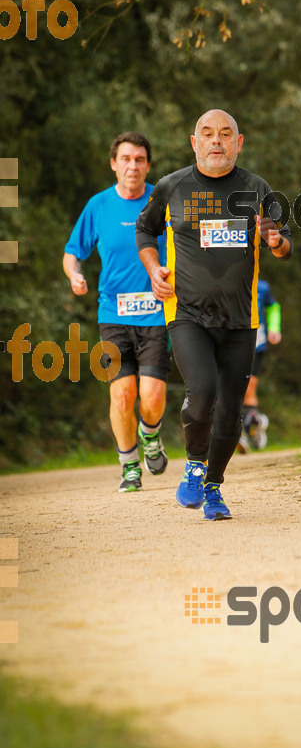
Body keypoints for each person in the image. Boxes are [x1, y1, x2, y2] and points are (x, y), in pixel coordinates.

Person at [136, 109, 293, 520]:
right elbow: (144, 230)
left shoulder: (258, 189)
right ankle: (193, 463)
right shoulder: (171, 186)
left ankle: (214, 487)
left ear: (239, 143)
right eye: (208, 134)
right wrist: (154, 270)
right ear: (195, 142)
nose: (216, 141)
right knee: (202, 390)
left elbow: (284, 244)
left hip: (242, 320)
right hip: (186, 313)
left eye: (226, 134)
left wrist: (274, 239)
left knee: (230, 412)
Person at [63, 132, 169, 493]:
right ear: (114, 163)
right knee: (122, 395)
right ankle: (129, 466)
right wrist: (75, 273)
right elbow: (72, 252)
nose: (133, 166)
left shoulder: (163, 200)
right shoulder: (99, 206)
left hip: (157, 313)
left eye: (140, 159)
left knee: (152, 399)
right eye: (126, 159)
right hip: (113, 315)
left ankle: (150, 434)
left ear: (148, 165)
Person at [239, 278, 281, 452]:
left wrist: (274, 328)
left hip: (257, 342)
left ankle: (249, 430)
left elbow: (273, 307)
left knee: (248, 388)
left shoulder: (262, 286)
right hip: (231, 341)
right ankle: (253, 423)